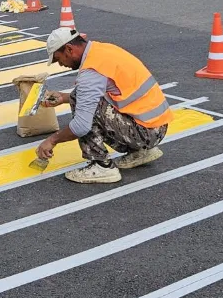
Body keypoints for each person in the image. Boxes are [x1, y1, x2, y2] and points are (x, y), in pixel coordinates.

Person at [36, 28, 173, 184]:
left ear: (69, 49)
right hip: (156, 126)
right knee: (81, 97)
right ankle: (140, 152)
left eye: (58, 59)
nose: (60, 64)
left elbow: (81, 126)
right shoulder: (101, 50)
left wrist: (52, 140)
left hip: (146, 132)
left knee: (84, 107)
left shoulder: (91, 71)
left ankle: (102, 166)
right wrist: (64, 97)